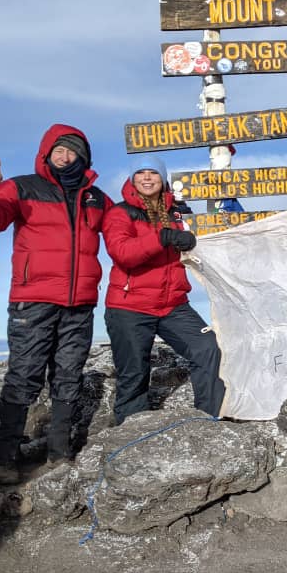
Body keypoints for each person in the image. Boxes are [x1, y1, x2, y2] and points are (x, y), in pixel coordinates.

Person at [0, 124, 112, 484]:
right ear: (47, 154)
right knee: (24, 376)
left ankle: (59, 453)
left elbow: (124, 231)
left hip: (80, 304)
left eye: (72, 151)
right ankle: (5, 457)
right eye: (58, 151)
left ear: (83, 157)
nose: (64, 157)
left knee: (68, 376)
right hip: (32, 301)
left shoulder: (95, 198)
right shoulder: (22, 186)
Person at [102, 154, 225, 423]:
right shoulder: (119, 213)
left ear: (163, 179)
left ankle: (208, 421)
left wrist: (195, 236)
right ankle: (130, 437)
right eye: (141, 173)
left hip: (173, 305)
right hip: (129, 306)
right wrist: (162, 237)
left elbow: (206, 238)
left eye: (154, 173)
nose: (147, 178)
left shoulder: (178, 213)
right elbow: (122, 253)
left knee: (207, 348)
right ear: (132, 179)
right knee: (134, 373)